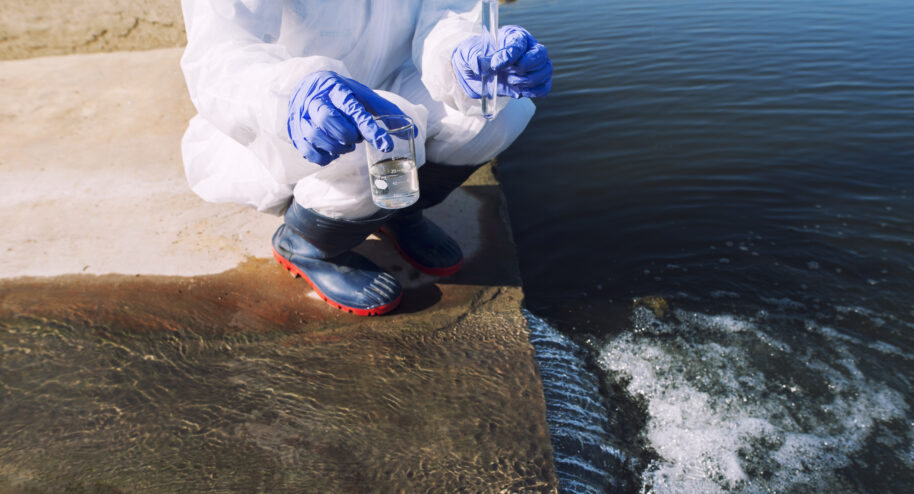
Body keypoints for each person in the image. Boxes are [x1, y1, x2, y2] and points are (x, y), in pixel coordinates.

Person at [180, 0, 553, 315]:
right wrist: (291, 95)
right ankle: (310, 244)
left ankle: (396, 211)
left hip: (393, 80)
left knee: (500, 109)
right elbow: (218, 53)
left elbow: (447, 14)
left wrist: (465, 57)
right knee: (371, 140)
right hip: (290, 111)